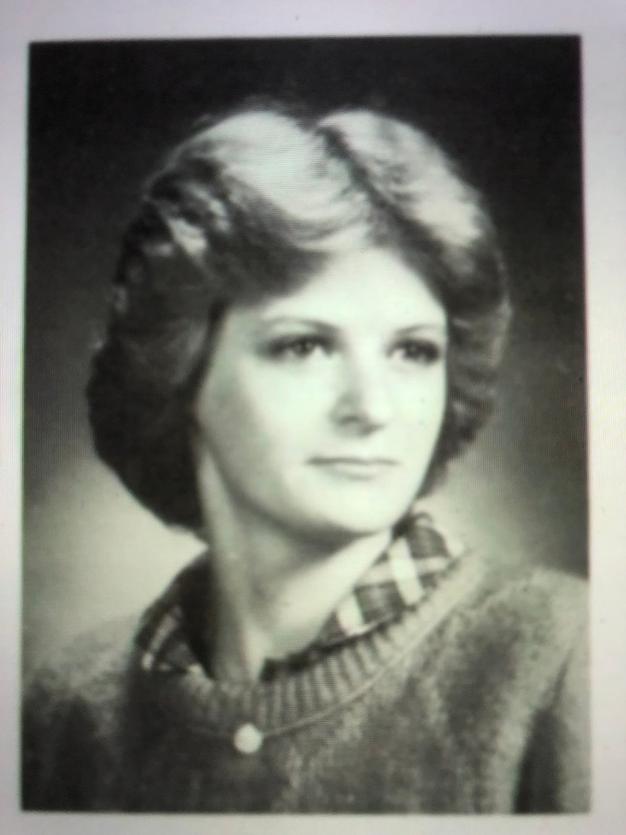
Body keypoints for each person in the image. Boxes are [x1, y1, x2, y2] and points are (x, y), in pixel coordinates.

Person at [22, 102, 588, 813]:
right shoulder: (68, 706)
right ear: (181, 370)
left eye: (413, 351)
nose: (373, 408)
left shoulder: (568, 656)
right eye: (305, 346)